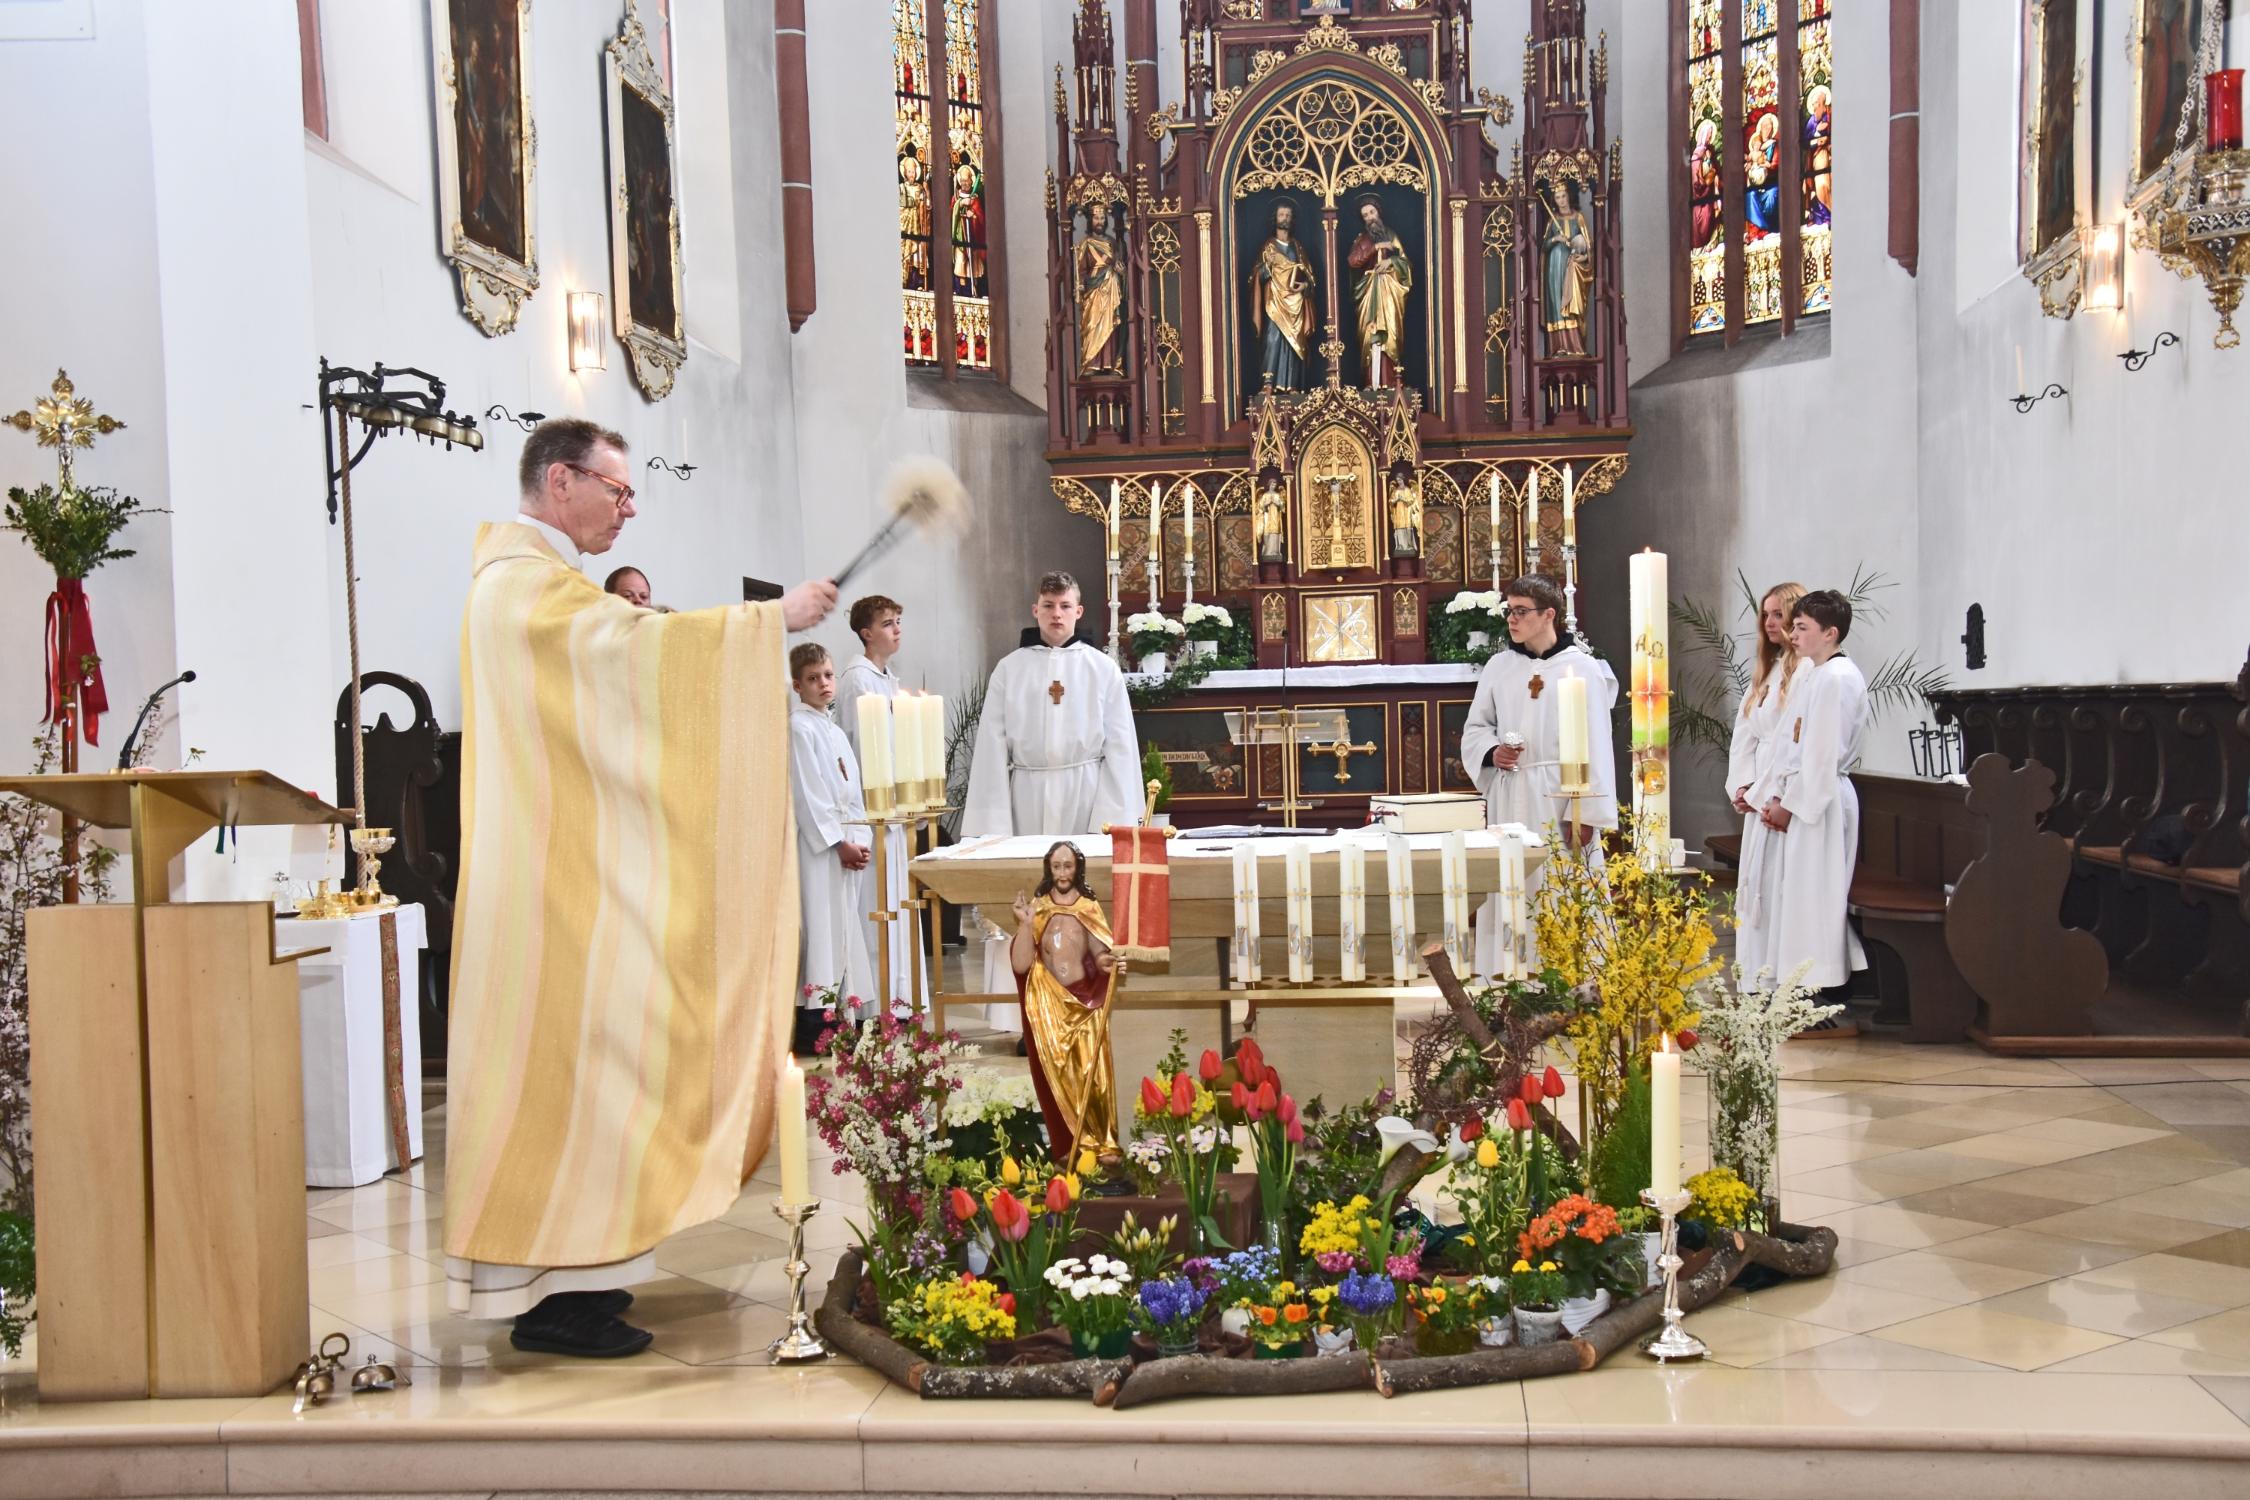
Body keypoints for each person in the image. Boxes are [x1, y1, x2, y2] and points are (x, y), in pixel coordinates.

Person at [444, 417, 838, 1358]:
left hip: (563, 876)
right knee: (570, 1080)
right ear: (561, 481)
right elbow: (634, 654)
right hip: (548, 895)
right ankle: (551, 1294)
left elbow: (623, 661)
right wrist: (769, 622)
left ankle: (577, 1275)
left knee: (594, 1077)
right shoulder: (523, 589)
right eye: (617, 490)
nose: (628, 509)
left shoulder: (538, 584)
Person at [1459, 575, 1617, 977]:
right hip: (1510, 794)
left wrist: (1586, 813)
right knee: (1510, 888)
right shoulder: (1499, 667)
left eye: (1521, 611)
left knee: (1559, 888)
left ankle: (1569, 981)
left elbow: (1598, 742)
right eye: (1509, 610)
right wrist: (1493, 752)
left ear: (1549, 615)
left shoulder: (1582, 668)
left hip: (1561, 798)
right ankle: (1508, 979)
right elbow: (1476, 728)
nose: (1511, 619)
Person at [1740, 590, 1869, 1012]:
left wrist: (1790, 804)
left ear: (1830, 633)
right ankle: (1798, 989)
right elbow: (1791, 743)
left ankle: (1819, 990)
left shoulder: (1836, 678)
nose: (1791, 634)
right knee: (1798, 895)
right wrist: (1773, 794)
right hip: (1806, 797)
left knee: (1814, 896)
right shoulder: (1818, 674)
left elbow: (1821, 754)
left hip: (1820, 802)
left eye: (1801, 627)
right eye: (1792, 626)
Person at [961, 572, 1143, 839]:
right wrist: (992, 823)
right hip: (1027, 794)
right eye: (1048, 605)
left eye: (1065, 606)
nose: (1056, 614)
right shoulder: (1009, 669)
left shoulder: (1103, 669)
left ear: (1078, 612)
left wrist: (1113, 817)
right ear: (1036, 610)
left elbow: (1120, 745)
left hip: (1086, 794)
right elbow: (991, 746)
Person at [833, 593, 924, 1013]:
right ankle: (875, 1005)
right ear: (867, 633)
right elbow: (859, 749)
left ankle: (900, 998)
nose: (897, 629)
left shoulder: (887, 679)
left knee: (898, 904)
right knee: (876, 906)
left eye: (899, 621)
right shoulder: (858, 679)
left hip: (893, 810)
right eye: (888, 623)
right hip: (872, 812)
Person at [1009, 841, 1121, 1164]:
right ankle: (1071, 1146)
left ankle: (1101, 1142)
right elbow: (1021, 965)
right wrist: (1025, 924)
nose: (1061, 873)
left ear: (1077, 868)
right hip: (1050, 1005)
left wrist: (1107, 963)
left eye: (1067, 866)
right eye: (1056, 866)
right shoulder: (1038, 908)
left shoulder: (1088, 907)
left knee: (1092, 1076)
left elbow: (1099, 953)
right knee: (1058, 1077)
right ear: (1049, 868)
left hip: (1083, 1004)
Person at [788, 642, 874, 1054]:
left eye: (827, 675)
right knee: (821, 928)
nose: (823, 684)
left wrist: (860, 840)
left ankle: (843, 1014)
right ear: (797, 685)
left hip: (845, 844)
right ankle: (814, 1023)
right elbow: (808, 796)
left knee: (842, 929)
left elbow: (853, 794)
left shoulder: (835, 731)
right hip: (819, 849)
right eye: (812, 678)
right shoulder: (799, 729)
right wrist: (838, 843)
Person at [1728, 581, 1808, 992]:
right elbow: (1744, 732)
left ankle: (1776, 978)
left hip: (1780, 795)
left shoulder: (1806, 670)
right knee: (1755, 885)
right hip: (1760, 790)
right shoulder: (1768, 669)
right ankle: (1754, 974)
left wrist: (1764, 793)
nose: (1770, 622)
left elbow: (1790, 743)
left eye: (1779, 614)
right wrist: (1742, 785)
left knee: (1776, 886)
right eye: (1766, 614)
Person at [1248, 202, 1317, 392]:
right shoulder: (1268, 246)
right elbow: (1255, 277)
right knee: (1273, 339)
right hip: (1275, 302)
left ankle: (1292, 386)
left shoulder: (1298, 247)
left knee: (1294, 342)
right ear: (1275, 219)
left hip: (1296, 302)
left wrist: (1305, 286)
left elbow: (1310, 277)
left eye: (1288, 215)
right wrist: (1267, 266)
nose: (1285, 218)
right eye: (1281, 215)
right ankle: (1268, 383)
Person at [1347, 195, 1413, 385]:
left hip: (1390, 293)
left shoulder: (1391, 235)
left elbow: (1406, 263)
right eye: (1366, 215)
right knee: (1370, 335)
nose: (1370, 217)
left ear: (1379, 213)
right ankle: (1372, 383)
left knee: (1390, 334)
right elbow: (1353, 261)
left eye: (1372, 212)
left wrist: (1390, 262)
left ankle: (1392, 382)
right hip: (1369, 293)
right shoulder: (1362, 240)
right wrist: (1375, 247)